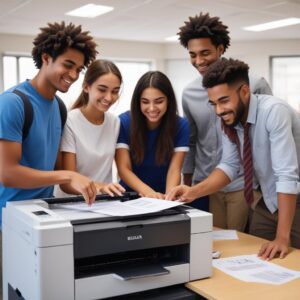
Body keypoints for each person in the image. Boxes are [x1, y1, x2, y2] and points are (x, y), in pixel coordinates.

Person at [167, 58, 300, 260]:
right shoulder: (230, 120)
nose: (219, 110)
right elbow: (229, 166)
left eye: (224, 101)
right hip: (267, 201)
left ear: (245, 92)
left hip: (295, 201)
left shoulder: (274, 112)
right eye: (213, 104)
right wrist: (193, 191)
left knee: (290, 263)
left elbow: (286, 176)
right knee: (257, 258)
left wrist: (282, 237)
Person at [177, 12, 272, 231]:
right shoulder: (189, 92)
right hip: (206, 185)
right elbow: (192, 141)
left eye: (205, 53)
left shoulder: (253, 84)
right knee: (214, 245)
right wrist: (188, 182)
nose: (199, 61)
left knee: (243, 244)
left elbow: (267, 137)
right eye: (192, 55)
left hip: (243, 183)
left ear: (220, 49)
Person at [55, 59, 125, 197]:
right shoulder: (70, 121)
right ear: (86, 87)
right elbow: (68, 182)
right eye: (102, 89)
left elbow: (123, 167)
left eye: (115, 91)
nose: (109, 97)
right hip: (72, 203)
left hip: (104, 203)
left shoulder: (115, 122)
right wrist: (102, 187)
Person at [115, 71, 189, 199]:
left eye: (159, 101)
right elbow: (123, 168)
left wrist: (168, 198)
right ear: (138, 102)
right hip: (129, 196)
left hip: (162, 195)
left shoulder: (181, 125)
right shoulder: (123, 122)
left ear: (168, 101)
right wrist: (149, 193)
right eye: (145, 102)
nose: (152, 108)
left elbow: (174, 169)